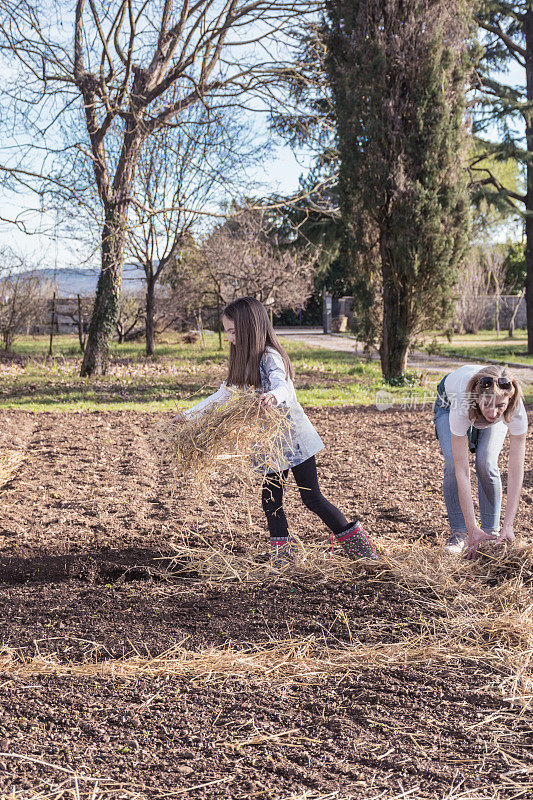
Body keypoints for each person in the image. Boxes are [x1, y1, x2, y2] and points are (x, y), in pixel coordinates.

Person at [178, 296, 377, 566]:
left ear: (250, 328)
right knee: (271, 500)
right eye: (228, 332)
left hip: (293, 438)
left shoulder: (271, 357)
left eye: (233, 331)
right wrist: (187, 417)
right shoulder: (245, 361)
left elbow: (282, 385)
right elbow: (222, 396)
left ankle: (362, 550)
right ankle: (283, 559)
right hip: (269, 442)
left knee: (312, 497)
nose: (230, 339)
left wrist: (273, 396)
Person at [434, 364, 528, 558]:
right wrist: (471, 527)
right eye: (488, 405)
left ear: (509, 400)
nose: (493, 414)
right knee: (452, 464)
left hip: (486, 399)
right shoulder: (463, 403)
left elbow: (516, 469)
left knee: (486, 462)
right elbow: (462, 470)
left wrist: (509, 524)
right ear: (477, 397)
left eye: (500, 406)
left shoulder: (514, 407)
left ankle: (492, 534)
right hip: (448, 404)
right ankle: (460, 533)